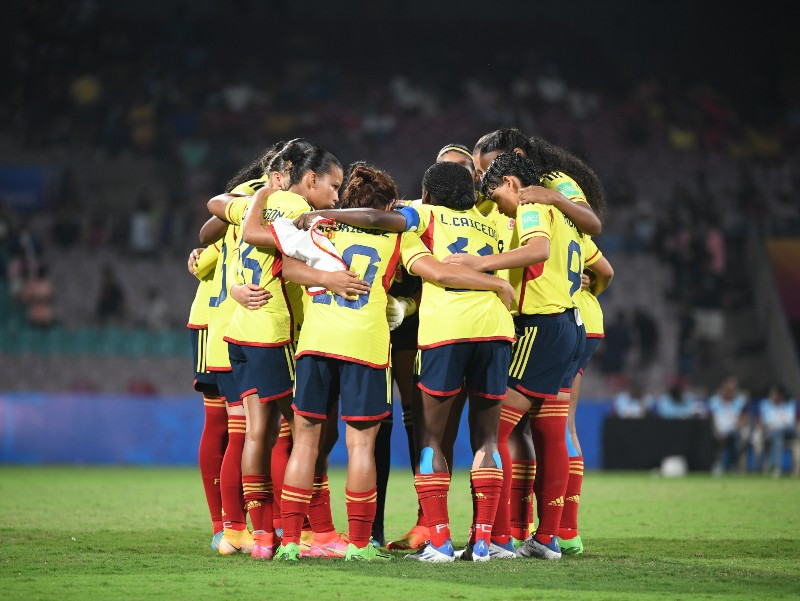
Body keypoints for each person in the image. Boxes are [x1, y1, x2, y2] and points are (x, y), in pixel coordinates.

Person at [276, 162, 514, 562]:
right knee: (363, 445)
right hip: (375, 344)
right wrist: (494, 283)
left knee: (307, 442)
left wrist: (326, 261)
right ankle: (364, 544)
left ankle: (287, 541)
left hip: (317, 341)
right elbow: (433, 268)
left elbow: (286, 266)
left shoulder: (323, 229)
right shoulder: (413, 234)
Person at [208, 142, 369, 559]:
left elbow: (221, 213)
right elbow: (279, 249)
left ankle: (261, 537)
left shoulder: (255, 200)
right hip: (273, 331)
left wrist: (257, 194)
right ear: (309, 180)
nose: (336, 197)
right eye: (333, 187)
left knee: (256, 435)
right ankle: (321, 532)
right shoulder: (292, 210)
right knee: (305, 435)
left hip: (239, 332)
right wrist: (330, 276)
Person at [445, 151, 585, 560]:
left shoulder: (529, 204)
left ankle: (499, 537)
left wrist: (482, 262)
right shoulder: (565, 215)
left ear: (510, 182)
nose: (500, 204)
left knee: (492, 431)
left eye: (497, 192)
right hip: (569, 325)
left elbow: (538, 249)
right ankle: (547, 537)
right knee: (552, 434)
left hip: (539, 328)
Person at [707, 376, 748, 474]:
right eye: (727, 389)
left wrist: (736, 428)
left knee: (734, 438)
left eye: (732, 389)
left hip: (734, 431)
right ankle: (716, 464)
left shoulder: (740, 402)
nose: (729, 391)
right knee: (711, 439)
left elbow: (743, 420)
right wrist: (717, 432)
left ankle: (734, 466)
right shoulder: (714, 402)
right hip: (718, 432)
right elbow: (711, 420)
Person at [758, 385, 799, 477]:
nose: (772, 397)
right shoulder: (765, 404)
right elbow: (765, 422)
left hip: (789, 432)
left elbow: (790, 422)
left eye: (774, 394)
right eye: (771, 394)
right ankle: (777, 467)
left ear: (780, 395)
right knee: (777, 437)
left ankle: (775, 467)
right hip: (772, 433)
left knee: (779, 432)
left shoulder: (789, 404)